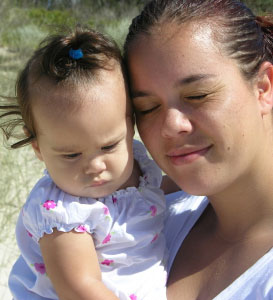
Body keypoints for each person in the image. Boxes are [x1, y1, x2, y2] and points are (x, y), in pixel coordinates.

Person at [0, 26, 178, 300]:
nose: (95, 166)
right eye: (71, 155)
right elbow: (80, 289)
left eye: (109, 146)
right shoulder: (63, 215)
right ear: (38, 147)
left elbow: (148, 196)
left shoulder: (137, 163)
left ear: (130, 126)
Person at [123, 0, 273, 299]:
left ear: (264, 88)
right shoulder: (146, 224)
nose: (170, 125)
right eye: (147, 108)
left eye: (198, 95)